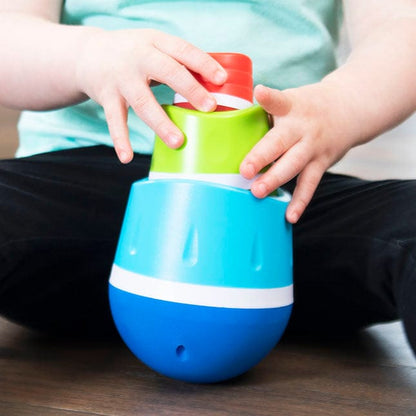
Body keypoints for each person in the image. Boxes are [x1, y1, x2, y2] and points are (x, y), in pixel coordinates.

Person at [0, 0, 415, 354]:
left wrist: (339, 104)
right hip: (85, 175)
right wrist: (87, 56)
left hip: (278, 186)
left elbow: (401, 26)